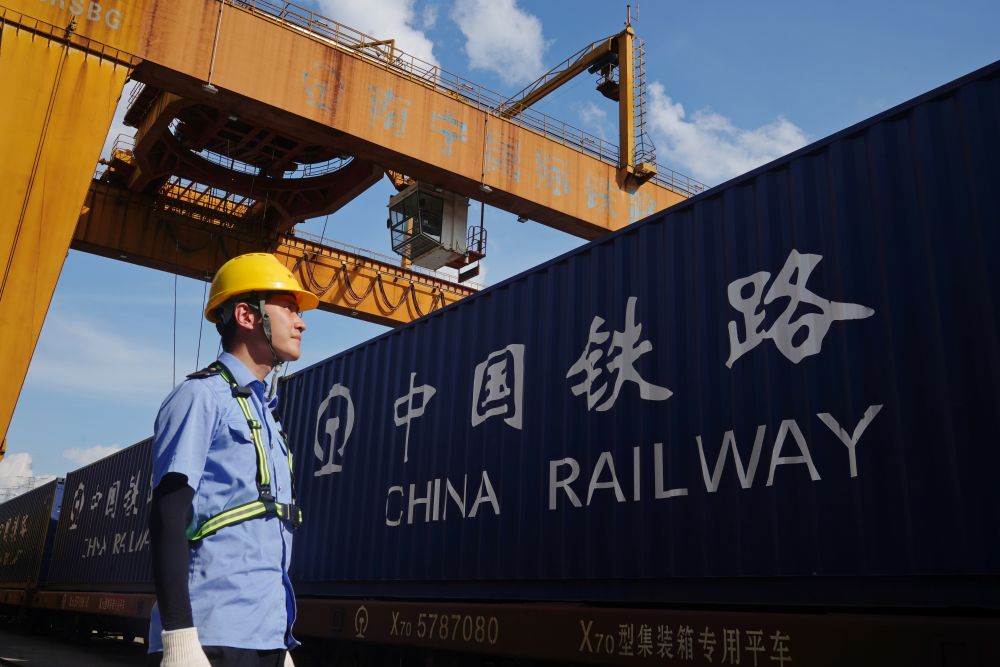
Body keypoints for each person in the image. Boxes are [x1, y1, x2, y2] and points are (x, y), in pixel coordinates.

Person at [147, 253, 318, 666]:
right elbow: (167, 516)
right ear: (246, 315)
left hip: (265, 636)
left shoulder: (266, 414)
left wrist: (279, 646)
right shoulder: (200, 397)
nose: (301, 323)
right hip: (211, 637)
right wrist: (179, 638)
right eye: (289, 308)